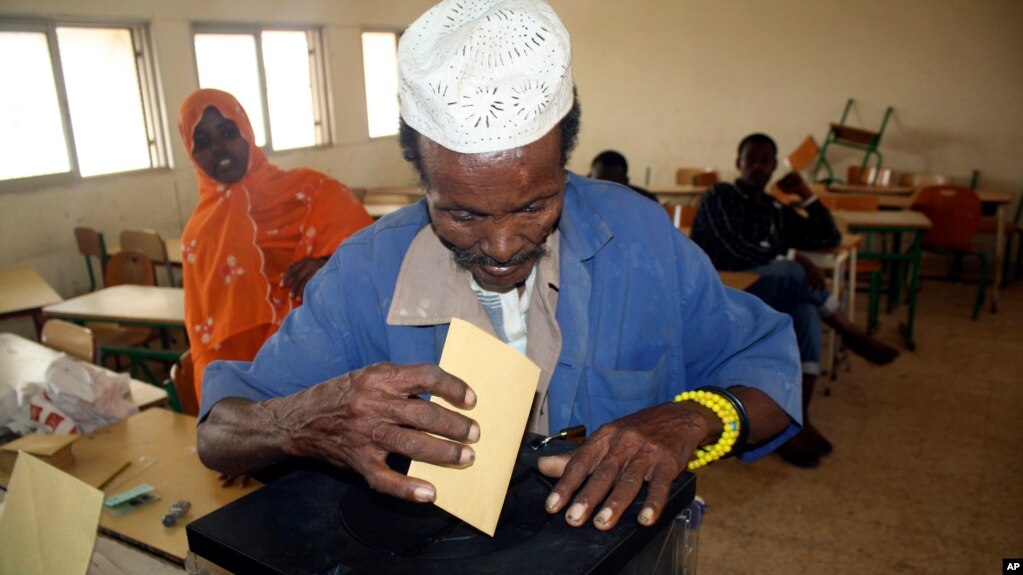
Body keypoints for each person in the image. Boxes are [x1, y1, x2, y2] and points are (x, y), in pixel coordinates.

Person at [196, 0, 802, 532]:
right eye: (462, 214)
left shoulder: (640, 241)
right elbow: (218, 432)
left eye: (536, 205)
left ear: (565, 157)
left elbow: (770, 370)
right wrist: (305, 420)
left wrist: (693, 415)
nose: (505, 246)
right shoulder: (366, 273)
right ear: (421, 177)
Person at [690, 132, 899, 468]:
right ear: (737, 162)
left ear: (774, 165)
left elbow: (827, 236)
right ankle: (850, 331)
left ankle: (796, 418)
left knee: (805, 311)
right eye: (751, 158)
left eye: (765, 160)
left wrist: (806, 194)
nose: (758, 166)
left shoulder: (775, 208)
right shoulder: (721, 196)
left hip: (764, 293)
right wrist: (792, 257)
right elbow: (732, 251)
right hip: (724, 293)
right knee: (790, 269)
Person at [177, 89, 373, 399]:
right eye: (201, 141)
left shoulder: (309, 191)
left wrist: (327, 267)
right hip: (247, 387)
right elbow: (207, 338)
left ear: (246, 132)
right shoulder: (198, 237)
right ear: (191, 154)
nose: (217, 148)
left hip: (322, 373)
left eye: (227, 132)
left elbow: (370, 252)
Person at [589, 150, 658, 202]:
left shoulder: (646, 202)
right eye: (601, 183)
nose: (607, 190)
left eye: (614, 184)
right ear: (589, 178)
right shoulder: (582, 200)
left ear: (625, 182)